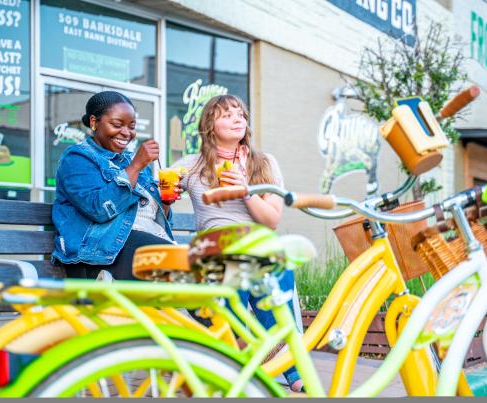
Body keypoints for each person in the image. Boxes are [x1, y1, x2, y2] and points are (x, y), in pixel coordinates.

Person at [171, 94, 304, 392]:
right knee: (242, 272)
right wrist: (167, 193)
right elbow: (157, 193)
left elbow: (271, 220)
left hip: (258, 247)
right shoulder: (191, 165)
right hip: (217, 251)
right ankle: (257, 366)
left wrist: (246, 192)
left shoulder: (264, 163)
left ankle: (282, 369)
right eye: (227, 114)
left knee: (271, 274)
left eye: (240, 115)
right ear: (209, 124)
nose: (237, 120)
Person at [51, 91, 181, 281]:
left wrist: (166, 201)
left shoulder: (129, 160)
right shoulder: (78, 158)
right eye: (117, 125)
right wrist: (136, 165)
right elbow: (98, 209)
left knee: (203, 268)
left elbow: (162, 222)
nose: (126, 133)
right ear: (94, 123)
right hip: (102, 254)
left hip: (144, 243)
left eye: (132, 126)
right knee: (182, 266)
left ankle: (213, 310)